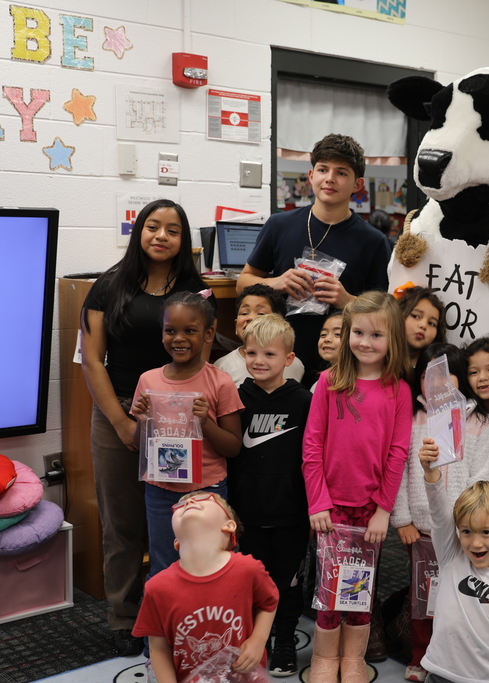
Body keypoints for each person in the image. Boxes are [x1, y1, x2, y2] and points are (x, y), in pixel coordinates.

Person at [80, 199, 211, 655]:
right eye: (152, 226)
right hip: (118, 409)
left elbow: (203, 352)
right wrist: (119, 421)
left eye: (172, 230)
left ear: (183, 240)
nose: (161, 236)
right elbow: (93, 360)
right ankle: (123, 617)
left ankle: (175, 613)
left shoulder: (196, 290)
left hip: (175, 416)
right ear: (138, 231)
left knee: (176, 519)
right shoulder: (108, 286)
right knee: (122, 521)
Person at [302, 290, 412, 683]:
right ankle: (324, 658)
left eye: (376, 336)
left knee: (359, 588)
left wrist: (384, 509)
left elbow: (398, 453)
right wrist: (318, 503)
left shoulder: (398, 390)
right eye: (359, 333)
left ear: (393, 340)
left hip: (370, 513)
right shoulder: (328, 382)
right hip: (330, 510)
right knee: (328, 588)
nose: (366, 342)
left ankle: (352, 659)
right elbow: (312, 445)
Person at [237, 134, 392, 371]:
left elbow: (385, 312)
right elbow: (243, 283)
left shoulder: (374, 241)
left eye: (341, 173)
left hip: (344, 362)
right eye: (323, 170)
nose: (329, 179)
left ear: (357, 184)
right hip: (278, 356)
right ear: (311, 176)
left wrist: (348, 301)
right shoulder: (279, 225)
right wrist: (277, 282)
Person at [391, 343, 489, 682]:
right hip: (421, 528)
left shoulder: (478, 421)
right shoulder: (413, 420)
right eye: (425, 375)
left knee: (464, 597)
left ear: (459, 376)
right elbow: (400, 470)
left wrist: (472, 523)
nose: (434, 382)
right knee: (424, 598)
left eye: (444, 374)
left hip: (465, 531)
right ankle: (421, 657)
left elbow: (484, 473)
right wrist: (403, 519)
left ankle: (458, 657)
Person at [130, 291, 244, 582]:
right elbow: (136, 442)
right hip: (160, 490)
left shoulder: (220, 381)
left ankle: (208, 624)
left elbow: (233, 447)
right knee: (164, 564)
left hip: (207, 490)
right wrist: (142, 421)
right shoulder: (148, 380)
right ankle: (163, 627)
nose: (178, 338)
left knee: (210, 563)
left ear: (208, 334)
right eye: (170, 330)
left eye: (189, 331)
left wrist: (204, 422)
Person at [227, 314, 312, 677]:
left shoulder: (305, 401)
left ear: (289, 359)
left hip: (291, 514)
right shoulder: (234, 397)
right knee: (250, 582)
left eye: (269, 354)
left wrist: (310, 510)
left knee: (287, 583)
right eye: (251, 352)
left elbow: (312, 458)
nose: (259, 361)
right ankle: (253, 643)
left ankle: (285, 642)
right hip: (247, 513)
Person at [132, 491, 278, 683]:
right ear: (176, 541)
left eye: (205, 500)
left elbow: (269, 603)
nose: (189, 500)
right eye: (180, 506)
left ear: (229, 525)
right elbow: (158, 649)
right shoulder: (157, 588)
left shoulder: (248, 570)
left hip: (241, 676)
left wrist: (258, 641)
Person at [417, 445, 489, 683]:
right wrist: (431, 474)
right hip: (438, 675)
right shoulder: (451, 556)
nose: (475, 543)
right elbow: (439, 514)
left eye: (486, 532)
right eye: (467, 531)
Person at [213, 283, 305, 386]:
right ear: (236, 325)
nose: (250, 318)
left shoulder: (295, 365)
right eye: (244, 313)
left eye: (261, 314)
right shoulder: (221, 367)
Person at [396, 285, 446, 369]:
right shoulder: (378, 359)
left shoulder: (435, 371)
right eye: (416, 316)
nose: (423, 325)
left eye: (431, 323)